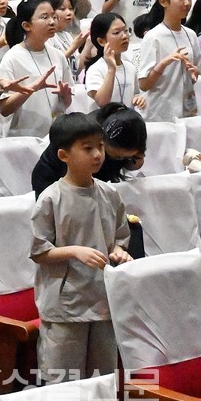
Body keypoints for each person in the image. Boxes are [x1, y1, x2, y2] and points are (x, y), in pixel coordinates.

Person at [30, 112, 131, 384]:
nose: (98, 154)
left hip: (103, 299)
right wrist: (75, 251)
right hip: (65, 305)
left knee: (103, 379)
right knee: (62, 381)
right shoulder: (51, 198)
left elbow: (121, 236)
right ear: (63, 155)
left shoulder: (110, 194)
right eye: (87, 148)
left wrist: (120, 251)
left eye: (100, 146)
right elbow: (39, 251)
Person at [0, 0, 74, 137]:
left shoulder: (58, 55)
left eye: (53, 16)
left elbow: (66, 102)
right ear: (27, 25)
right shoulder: (12, 58)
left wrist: (65, 97)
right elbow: (4, 109)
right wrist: (31, 88)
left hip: (55, 136)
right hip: (23, 140)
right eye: (44, 17)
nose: (52, 22)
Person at [31, 103, 147, 195]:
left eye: (127, 157)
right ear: (103, 141)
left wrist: (135, 160)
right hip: (54, 181)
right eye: (118, 157)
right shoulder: (82, 136)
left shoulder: (130, 128)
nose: (98, 155)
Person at [135, 0, 200, 123]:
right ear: (163, 1)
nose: (187, 3)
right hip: (160, 115)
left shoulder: (190, 34)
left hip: (189, 113)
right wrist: (164, 63)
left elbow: (198, 73)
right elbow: (144, 85)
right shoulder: (153, 37)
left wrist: (196, 73)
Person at [81, 14, 143, 109]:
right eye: (116, 32)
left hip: (128, 121)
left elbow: (135, 93)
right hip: (102, 123)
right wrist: (111, 69)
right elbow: (102, 102)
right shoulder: (95, 69)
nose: (124, 36)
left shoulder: (130, 67)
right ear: (101, 41)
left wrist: (139, 99)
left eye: (126, 30)